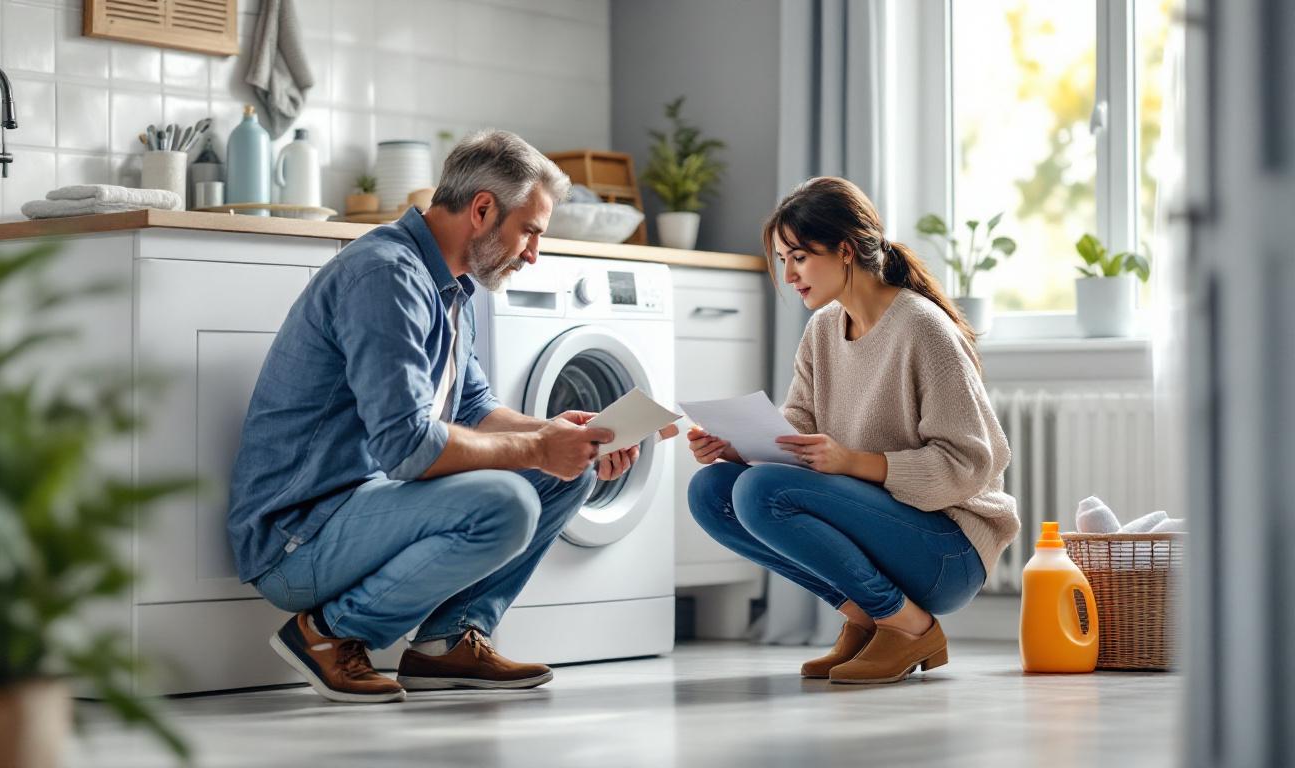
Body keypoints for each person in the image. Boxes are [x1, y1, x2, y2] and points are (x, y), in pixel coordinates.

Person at [227, 129, 672, 703]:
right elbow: (409, 448)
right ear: (483, 209)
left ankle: (444, 645)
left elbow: (474, 410)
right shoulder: (387, 275)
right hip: (298, 539)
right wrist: (540, 448)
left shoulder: (449, 286)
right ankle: (327, 635)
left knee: (568, 474)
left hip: (359, 510)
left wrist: (571, 436)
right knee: (508, 501)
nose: (533, 253)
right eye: (530, 231)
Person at [685, 177, 1019, 685]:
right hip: (884, 532)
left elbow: (972, 464)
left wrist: (854, 462)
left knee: (760, 491)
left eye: (799, 256)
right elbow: (797, 428)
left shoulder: (923, 329)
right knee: (712, 491)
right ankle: (868, 616)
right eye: (784, 259)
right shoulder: (822, 329)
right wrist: (735, 446)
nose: (790, 274)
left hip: (949, 550)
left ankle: (907, 627)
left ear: (844, 251)